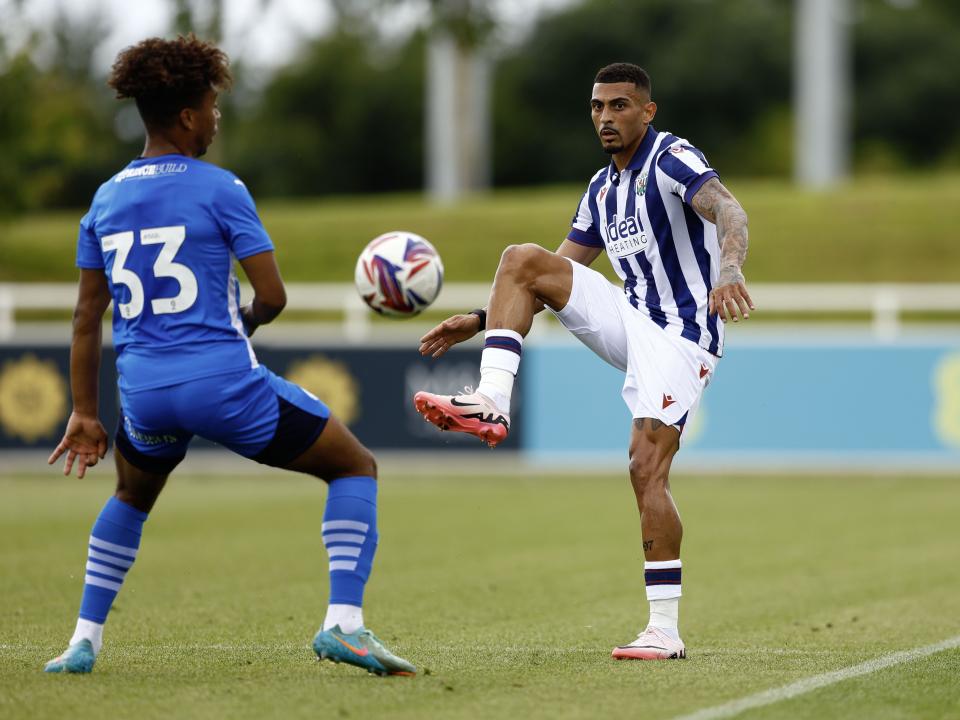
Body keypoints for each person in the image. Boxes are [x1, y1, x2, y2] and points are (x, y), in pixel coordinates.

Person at [43, 35, 414, 677]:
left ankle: (82, 641)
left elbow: (84, 318)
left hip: (144, 392)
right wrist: (241, 321)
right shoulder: (220, 188)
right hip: (222, 384)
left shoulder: (104, 200)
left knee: (130, 496)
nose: (217, 117)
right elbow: (272, 296)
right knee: (355, 467)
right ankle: (344, 625)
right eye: (213, 106)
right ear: (188, 116)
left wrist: (83, 411)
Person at [414, 62, 753, 660]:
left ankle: (664, 631)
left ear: (648, 111)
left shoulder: (670, 158)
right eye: (597, 107)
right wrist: (477, 318)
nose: (605, 117)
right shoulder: (602, 189)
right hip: (631, 317)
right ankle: (491, 399)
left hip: (682, 336)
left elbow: (730, 211)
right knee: (522, 257)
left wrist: (728, 271)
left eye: (619, 106)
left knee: (645, 468)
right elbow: (552, 269)